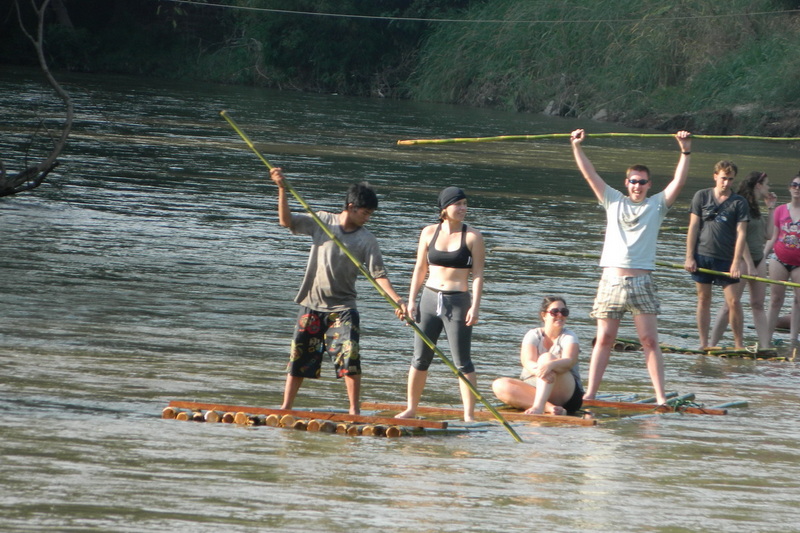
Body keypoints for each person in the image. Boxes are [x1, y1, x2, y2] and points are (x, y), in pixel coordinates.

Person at [269, 167, 407, 415]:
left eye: (370, 214)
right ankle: (286, 407)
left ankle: (354, 411)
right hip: (312, 304)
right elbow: (286, 221)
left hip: (343, 309)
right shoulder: (322, 221)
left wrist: (398, 301)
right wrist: (282, 189)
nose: (367, 218)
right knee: (299, 358)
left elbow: (379, 275)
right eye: (365, 213)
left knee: (349, 358)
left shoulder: (367, 239)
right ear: (351, 207)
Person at [571, 128, 692, 406]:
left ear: (649, 184)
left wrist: (685, 150)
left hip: (642, 282)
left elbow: (679, 181)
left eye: (642, 182)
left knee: (649, 340)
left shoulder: (657, 205)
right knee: (604, 339)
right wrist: (577, 147)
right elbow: (590, 175)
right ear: (627, 183)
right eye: (634, 182)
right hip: (611, 281)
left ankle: (660, 397)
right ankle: (590, 394)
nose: (637, 186)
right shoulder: (613, 200)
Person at [395, 187, 485, 422]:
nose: (463, 208)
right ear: (445, 208)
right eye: (458, 204)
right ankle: (411, 408)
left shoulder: (473, 236)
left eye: (465, 204)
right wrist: (411, 301)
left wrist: (475, 306)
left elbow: (477, 274)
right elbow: (420, 268)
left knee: (462, 361)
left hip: (458, 301)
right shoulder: (428, 232)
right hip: (429, 298)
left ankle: (469, 415)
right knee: (420, 357)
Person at [685, 161, 749, 350]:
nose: (726, 183)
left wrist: (736, 262)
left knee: (734, 301)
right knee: (703, 299)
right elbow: (693, 227)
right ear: (715, 176)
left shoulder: (739, 202)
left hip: (726, 258)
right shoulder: (701, 196)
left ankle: (738, 345)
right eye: (723, 178)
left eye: (730, 179)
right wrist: (689, 256)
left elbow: (741, 233)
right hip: (702, 255)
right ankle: (704, 344)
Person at [709, 172, 776, 349]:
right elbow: (741, 237)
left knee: (758, 304)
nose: (769, 188)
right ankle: (711, 343)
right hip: (741, 259)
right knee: (730, 303)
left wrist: (771, 208)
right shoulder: (741, 204)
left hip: (758, 258)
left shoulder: (756, 207)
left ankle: (765, 347)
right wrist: (749, 264)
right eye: (767, 184)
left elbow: (768, 234)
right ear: (758, 185)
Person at [491, 296, 583, 415]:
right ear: (544, 315)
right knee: (499, 384)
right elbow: (527, 361)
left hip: (566, 395)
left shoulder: (570, 336)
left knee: (546, 358)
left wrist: (550, 365)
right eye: (555, 312)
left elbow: (569, 361)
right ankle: (550, 408)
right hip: (535, 386)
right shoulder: (533, 334)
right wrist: (542, 370)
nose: (560, 315)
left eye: (564, 312)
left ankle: (538, 407)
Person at [765, 173, 800, 345]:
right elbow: (773, 237)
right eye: (794, 185)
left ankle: (793, 341)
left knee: (798, 300)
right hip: (779, 259)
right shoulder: (780, 210)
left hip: (799, 263)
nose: (797, 189)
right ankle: (766, 338)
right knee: (775, 300)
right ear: (789, 187)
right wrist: (761, 258)